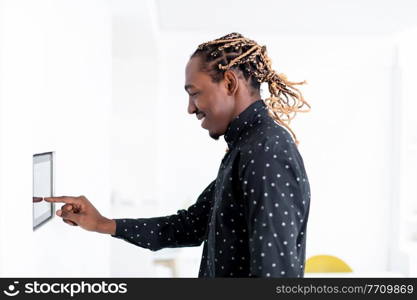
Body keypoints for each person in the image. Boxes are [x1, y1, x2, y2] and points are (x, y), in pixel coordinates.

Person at [45, 32, 312, 278]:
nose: (190, 108)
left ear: (229, 82)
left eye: (194, 93)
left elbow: (276, 277)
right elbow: (189, 226)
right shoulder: (246, 148)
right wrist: (103, 224)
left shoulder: (265, 151)